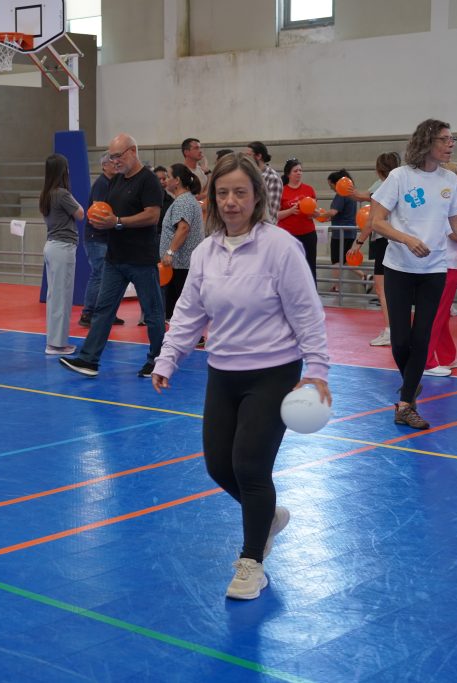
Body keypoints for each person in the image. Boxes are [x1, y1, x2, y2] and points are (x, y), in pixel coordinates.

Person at [151, 153, 330, 600]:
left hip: (273, 372)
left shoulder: (280, 247)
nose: (231, 201)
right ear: (212, 199)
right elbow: (190, 312)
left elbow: (308, 313)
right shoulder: (207, 251)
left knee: (250, 465)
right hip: (223, 372)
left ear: (256, 199)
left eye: (240, 193)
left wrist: (318, 371)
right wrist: (167, 358)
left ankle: (252, 561)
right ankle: (266, 515)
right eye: (223, 193)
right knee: (218, 465)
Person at [369, 119, 457, 430]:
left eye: (452, 139)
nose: (451, 144)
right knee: (401, 340)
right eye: (445, 139)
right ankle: (411, 384)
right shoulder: (400, 177)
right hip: (399, 268)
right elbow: (376, 221)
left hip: (434, 271)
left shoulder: (449, 181)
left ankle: (406, 403)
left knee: (422, 339)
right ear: (427, 142)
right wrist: (406, 238)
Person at [60, 134, 166, 379]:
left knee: (152, 312)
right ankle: (88, 360)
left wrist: (117, 222)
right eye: (111, 157)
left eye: (118, 156)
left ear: (132, 151)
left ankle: (158, 361)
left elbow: (152, 216)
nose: (114, 161)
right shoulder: (115, 181)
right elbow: (105, 212)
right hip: (115, 258)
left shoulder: (148, 180)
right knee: (103, 310)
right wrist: (101, 219)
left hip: (141, 259)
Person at [346, 152, 401, 347]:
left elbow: (371, 220)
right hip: (399, 240)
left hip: (384, 241)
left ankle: (390, 330)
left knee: (382, 288)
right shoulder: (401, 182)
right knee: (396, 289)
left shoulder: (382, 186)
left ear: (379, 170)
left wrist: (358, 242)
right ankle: (398, 329)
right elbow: (362, 195)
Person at [422, 162, 457, 376]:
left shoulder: (449, 199)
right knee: (437, 314)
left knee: (441, 314)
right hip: (446, 263)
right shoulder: (446, 199)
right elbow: (455, 233)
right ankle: (426, 361)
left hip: (450, 263)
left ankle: (447, 355)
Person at [39, 153, 84, 355]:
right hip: (62, 247)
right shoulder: (62, 194)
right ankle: (56, 344)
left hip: (53, 246)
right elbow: (81, 213)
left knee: (55, 296)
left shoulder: (47, 194)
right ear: (62, 171)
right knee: (61, 297)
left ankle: (55, 341)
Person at [80, 154, 125, 328]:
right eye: (111, 162)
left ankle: (107, 312)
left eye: (116, 161)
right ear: (104, 166)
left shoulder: (113, 183)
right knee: (99, 274)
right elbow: (98, 211)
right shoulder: (101, 184)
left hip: (107, 237)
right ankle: (88, 313)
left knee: (108, 276)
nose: (115, 164)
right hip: (97, 238)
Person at [161, 163, 205, 321]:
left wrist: (170, 251)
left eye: (168, 177)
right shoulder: (186, 200)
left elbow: (183, 228)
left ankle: (192, 336)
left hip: (181, 263)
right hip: (181, 264)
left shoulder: (183, 202)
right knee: (179, 306)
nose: (165, 180)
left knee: (182, 305)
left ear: (177, 180)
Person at [276, 158, 318, 280]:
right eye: (295, 171)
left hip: (308, 233)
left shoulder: (309, 189)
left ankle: (311, 294)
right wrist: (290, 211)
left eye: (300, 170)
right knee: (289, 267)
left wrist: (314, 214)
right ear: (288, 174)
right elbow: (275, 215)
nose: (299, 173)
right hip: (288, 235)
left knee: (310, 266)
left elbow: (315, 211)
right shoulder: (282, 191)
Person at [324, 169, 365, 290]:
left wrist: (319, 214)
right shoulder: (351, 195)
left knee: (336, 260)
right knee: (347, 260)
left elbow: (333, 211)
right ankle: (364, 276)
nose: (331, 187)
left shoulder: (341, 194)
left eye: (331, 184)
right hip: (350, 231)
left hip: (340, 233)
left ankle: (336, 286)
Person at [244, 141, 282, 224]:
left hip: (263, 228)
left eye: (248, 155)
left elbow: (271, 213)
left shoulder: (272, 177)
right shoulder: (246, 174)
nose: (245, 159)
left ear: (258, 156)